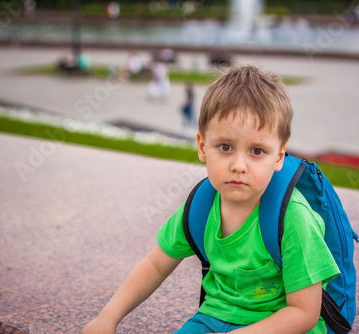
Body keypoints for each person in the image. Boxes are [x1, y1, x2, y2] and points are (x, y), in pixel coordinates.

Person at [82, 65, 340, 334]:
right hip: (213, 318)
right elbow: (155, 264)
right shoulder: (201, 206)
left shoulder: (292, 218)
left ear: (279, 156)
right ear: (203, 146)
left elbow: (304, 313)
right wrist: (108, 317)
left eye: (257, 150)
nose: (239, 165)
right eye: (225, 147)